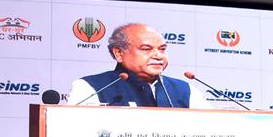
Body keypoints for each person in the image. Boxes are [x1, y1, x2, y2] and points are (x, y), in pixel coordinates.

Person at [67, 23, 208, 108]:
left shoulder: (185, 90)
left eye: (162, 49)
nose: (158, 56)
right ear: (119, 53)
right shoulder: (90, 87)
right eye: (146, 49)